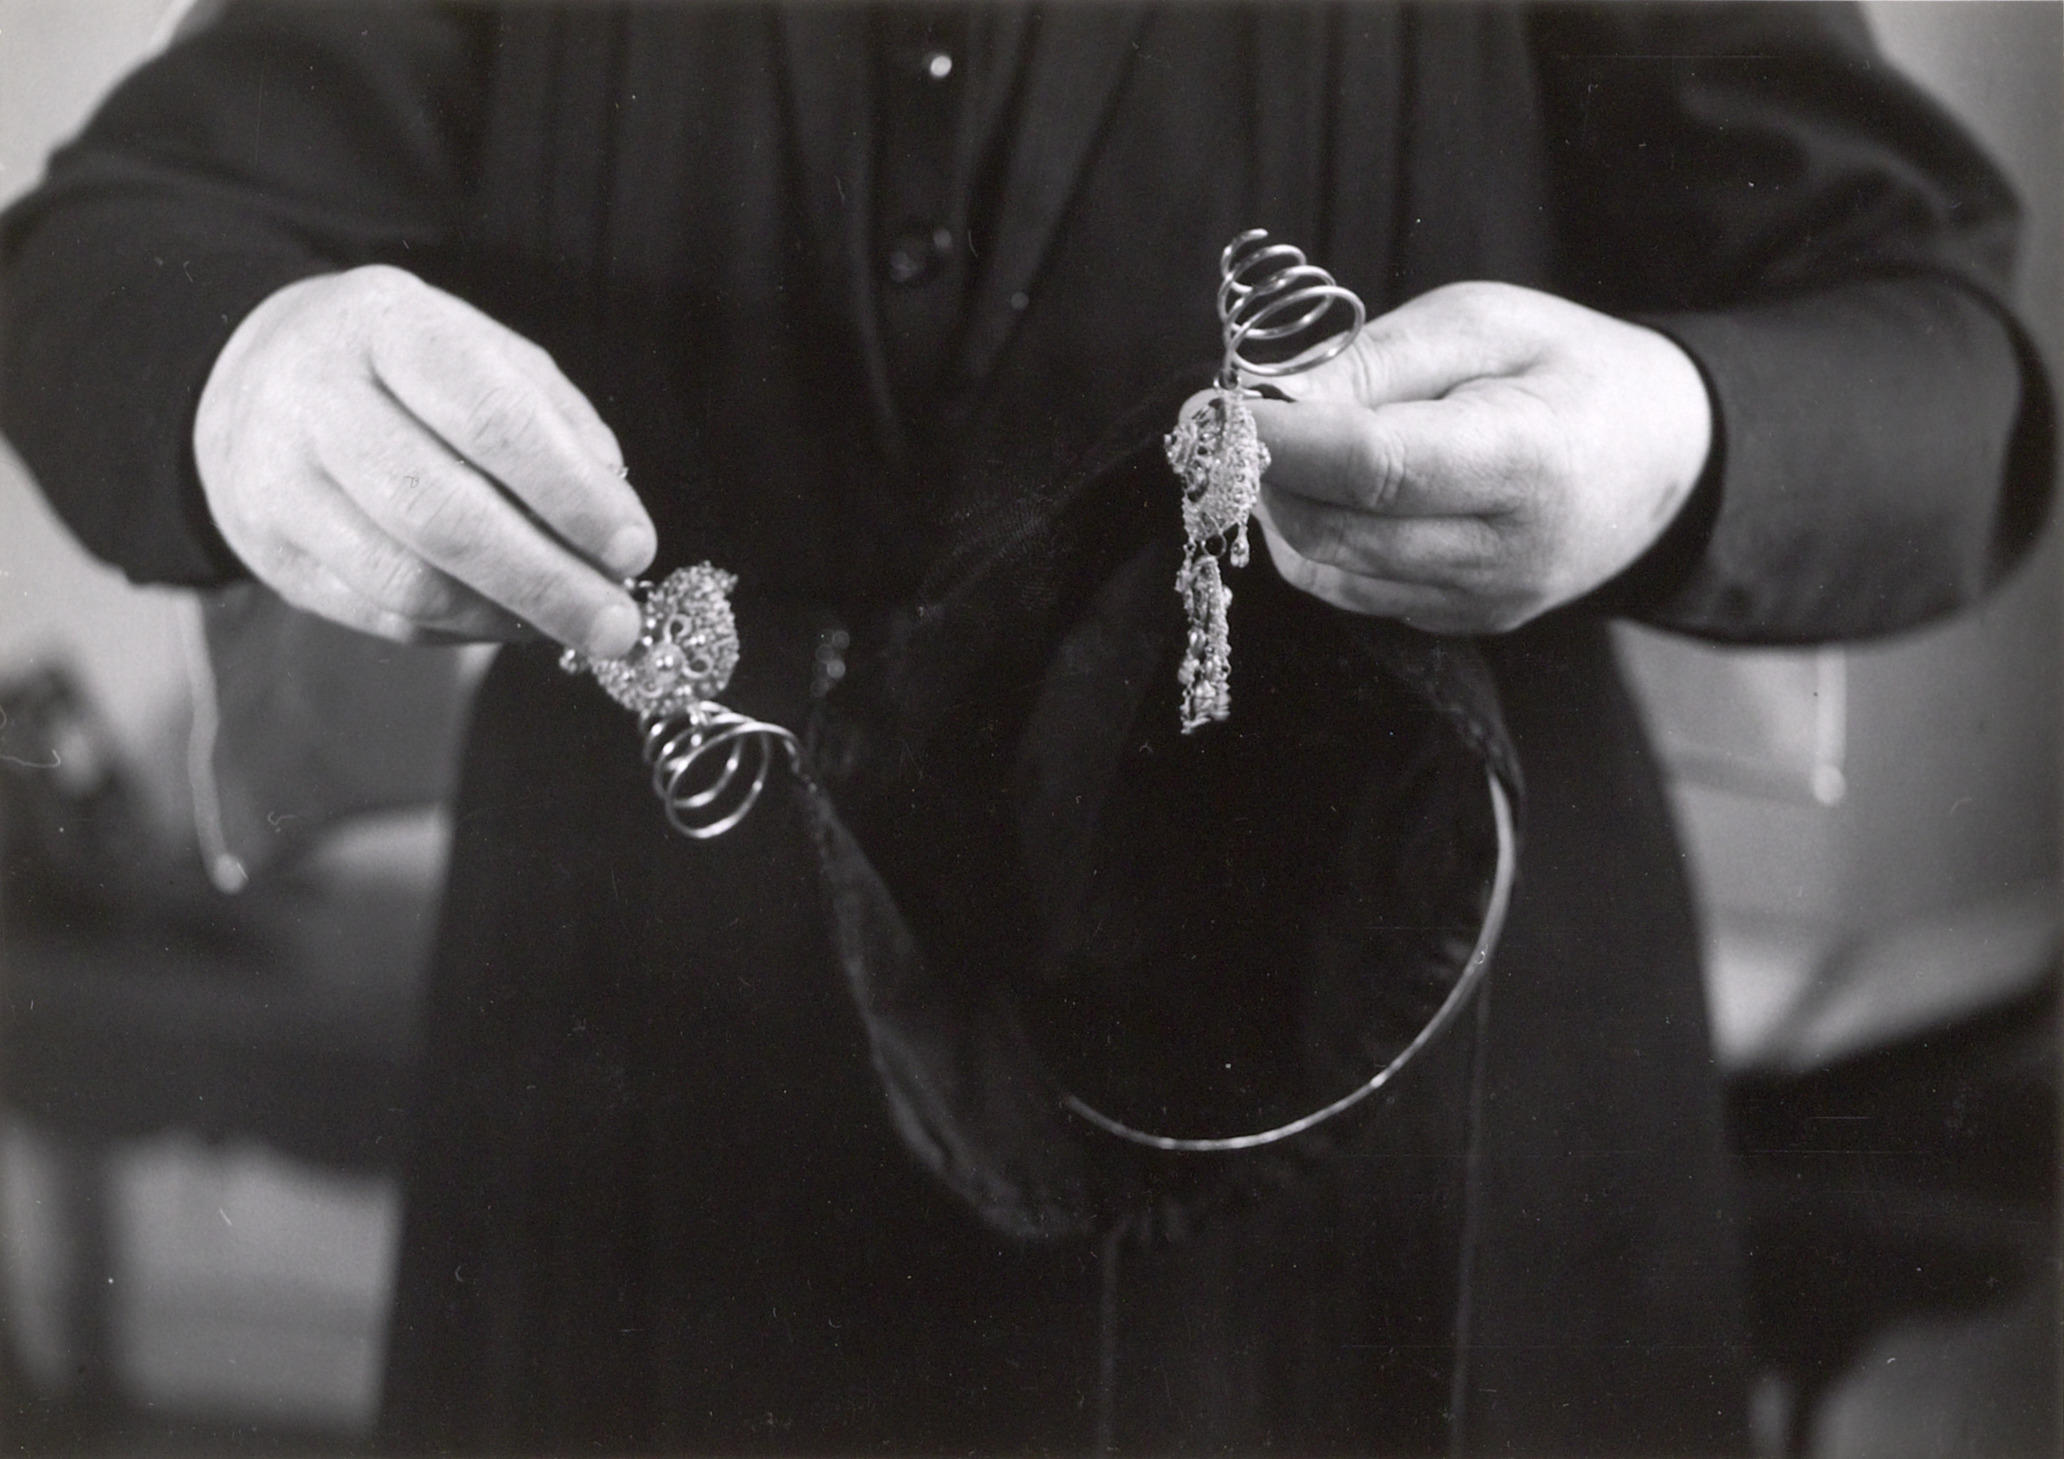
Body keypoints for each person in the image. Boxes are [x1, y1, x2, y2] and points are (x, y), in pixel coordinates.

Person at [1, 3, 2049, 1452]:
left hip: (1387, 1177)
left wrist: (1678, 433)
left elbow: (1940, 358)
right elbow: (99, 249)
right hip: (667, 1169)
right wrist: (245, 372)